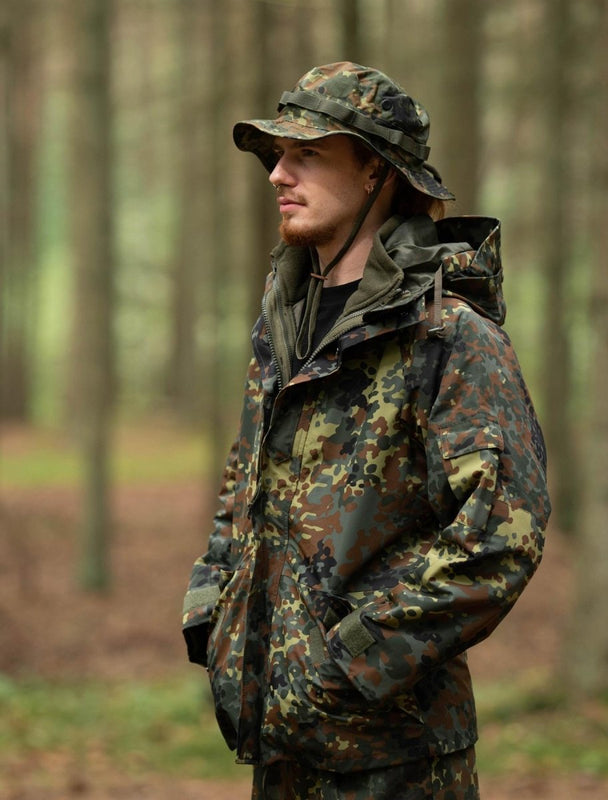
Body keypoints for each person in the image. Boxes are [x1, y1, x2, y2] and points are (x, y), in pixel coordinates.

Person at [182, 62, 550, 800]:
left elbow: (500, 536)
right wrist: (213, 611)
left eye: (307, 154)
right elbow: (244, 489)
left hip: (395, 757)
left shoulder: (449, 335)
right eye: (276, 155)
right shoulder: (283, 327)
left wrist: (351, 657)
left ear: (377, 171)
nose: (278, 174)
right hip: (281, 739)